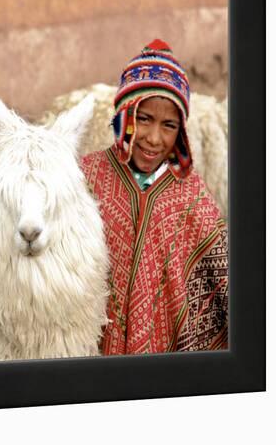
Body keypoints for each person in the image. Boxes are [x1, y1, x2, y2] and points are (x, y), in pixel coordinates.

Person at [81, 39, 228, 355]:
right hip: (90, 355)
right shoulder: (87, 177)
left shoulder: (193, 198)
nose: (154, 138)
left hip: (164, 365)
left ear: (181, 132)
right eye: (144, 118)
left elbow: (225, 282)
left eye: (169, 125)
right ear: (124, 114)